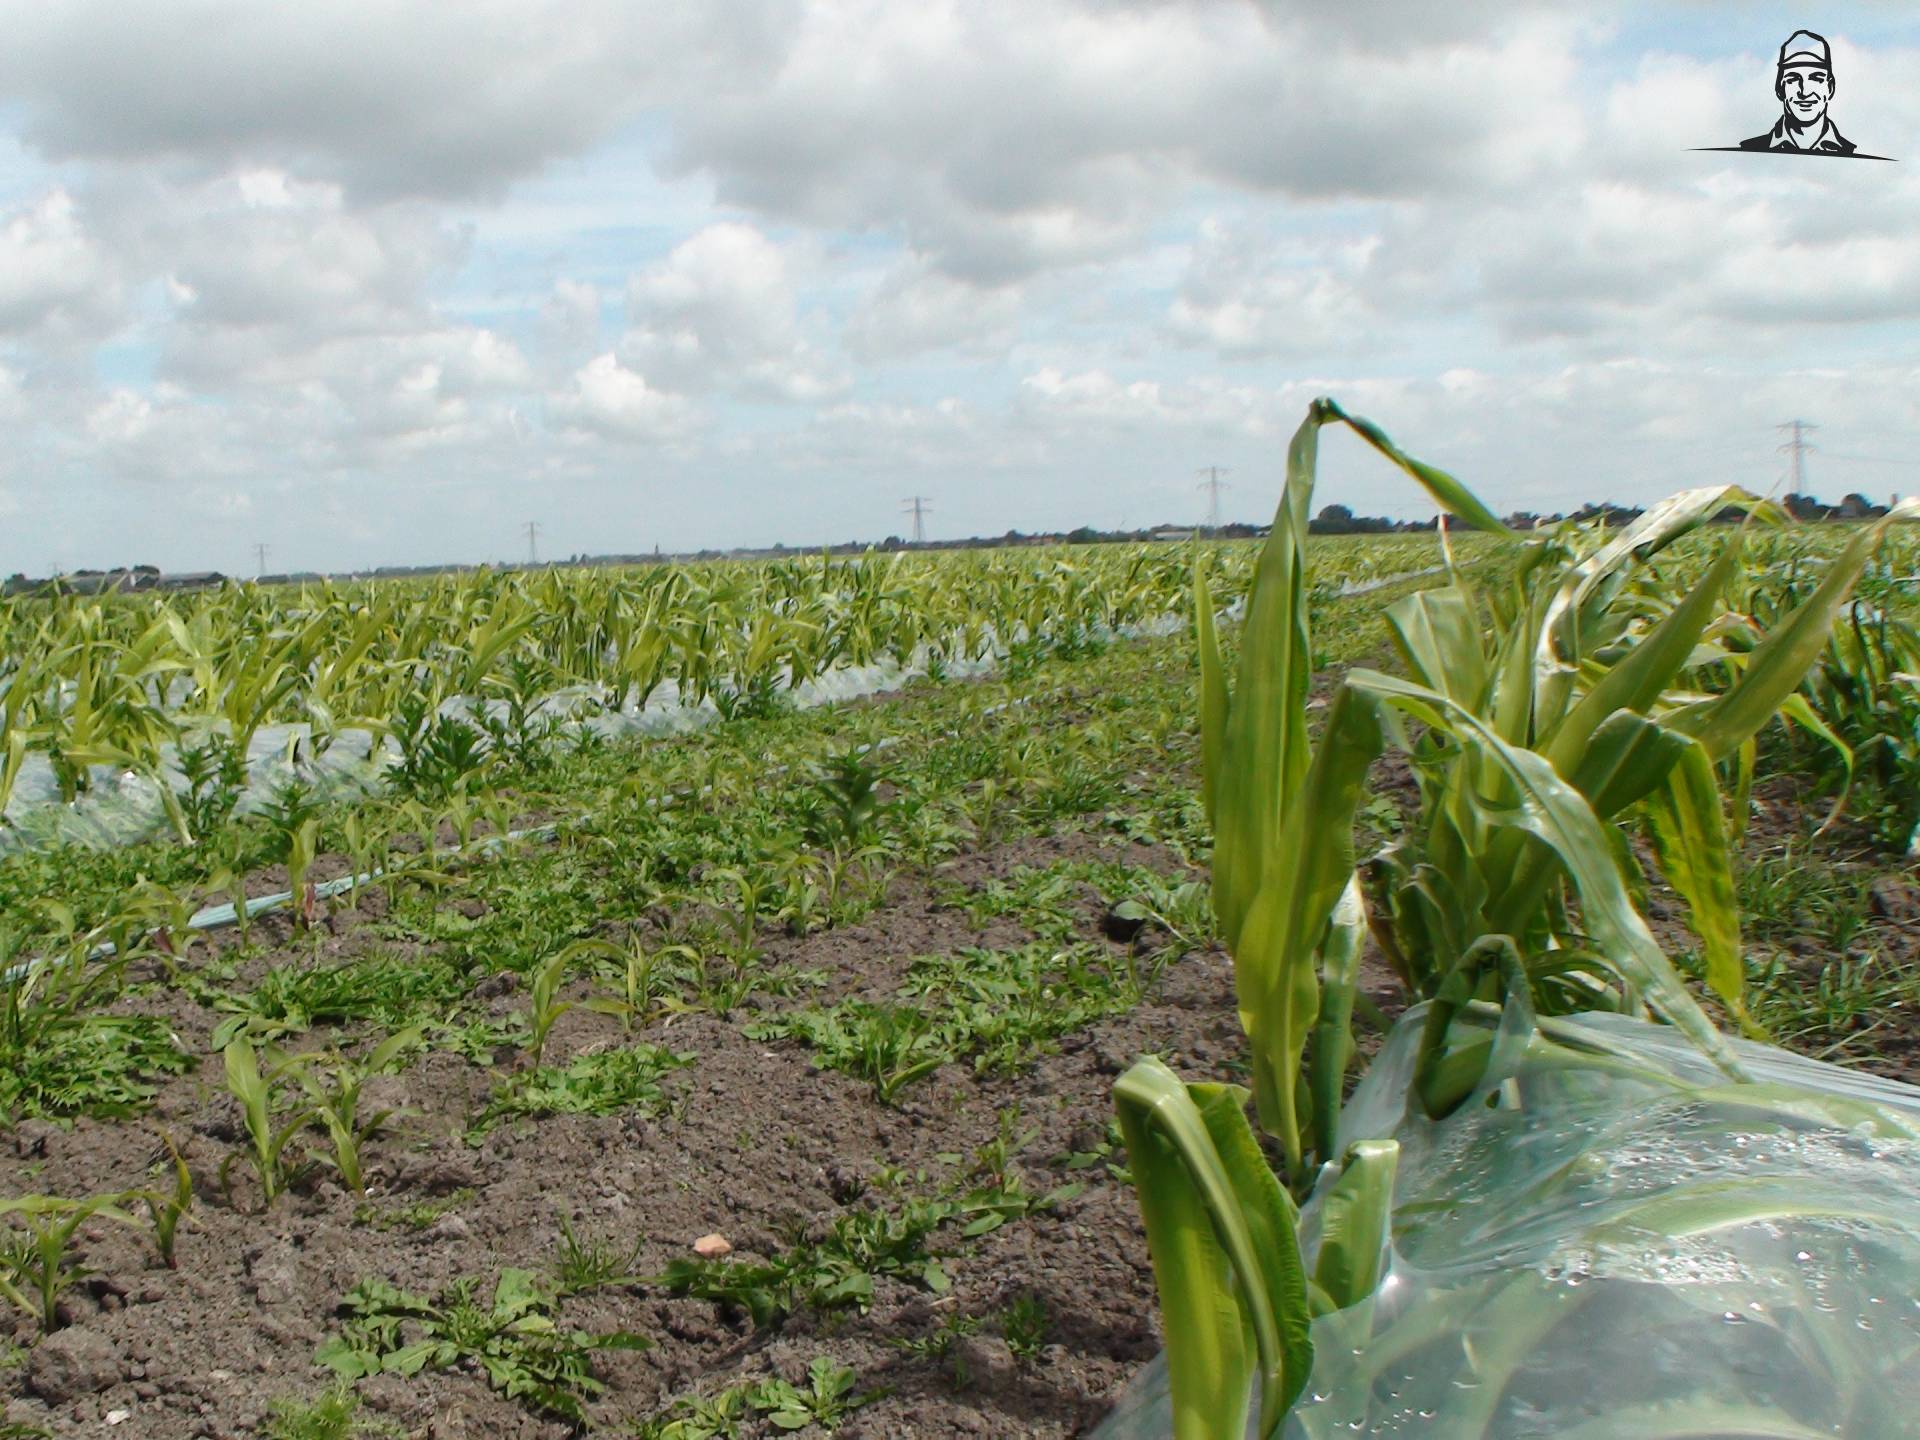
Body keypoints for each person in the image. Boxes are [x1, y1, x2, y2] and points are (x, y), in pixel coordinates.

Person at [1740, 30, 1855, 154]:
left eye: (1816, 78)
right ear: (1779, 89)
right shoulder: (1749, 151)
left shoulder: (1853, 153)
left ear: (1830, 88)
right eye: (1793, 79)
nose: (1805, 92)